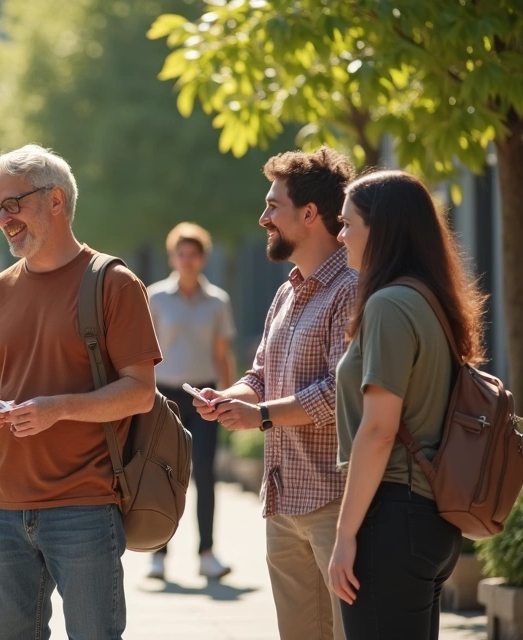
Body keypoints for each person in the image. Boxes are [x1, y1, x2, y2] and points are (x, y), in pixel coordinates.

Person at [0, 144, 161, 638]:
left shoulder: (113, 283)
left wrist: (58, 410)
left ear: (55, 200)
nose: (2, 218)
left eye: (13, 204)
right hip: (2, 506)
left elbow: (140, 393)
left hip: (85, 505)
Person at [193, 147, 357, 640]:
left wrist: (259, 415)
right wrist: (230, 396)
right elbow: (262, 372)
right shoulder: (287, 290)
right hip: (283, 502)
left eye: (273, 206)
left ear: (309, 214)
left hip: (334, 502)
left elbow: (339, 392)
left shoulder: (351, 288)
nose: (263, 217)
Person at [327, 171, 484, 639]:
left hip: (393, 516)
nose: (341, 235)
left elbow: (378, 431)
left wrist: (344, 535)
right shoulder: (430, 298)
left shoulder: (388, 305)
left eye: (347, 223)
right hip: (428, 519)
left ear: (382, 229)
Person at [146, 222, 236, 581]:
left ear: (202, 258)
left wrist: (230, 400)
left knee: (205, 474)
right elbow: (143, 354)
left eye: (193, 254)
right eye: (180, 253)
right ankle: (158, 553)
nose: (186, 260)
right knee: (160, 475)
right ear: (173, 257)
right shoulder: (155, 297)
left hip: (205, 396)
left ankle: (207, 553)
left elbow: (223, 354)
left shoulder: (217, 301)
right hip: (164, 397)